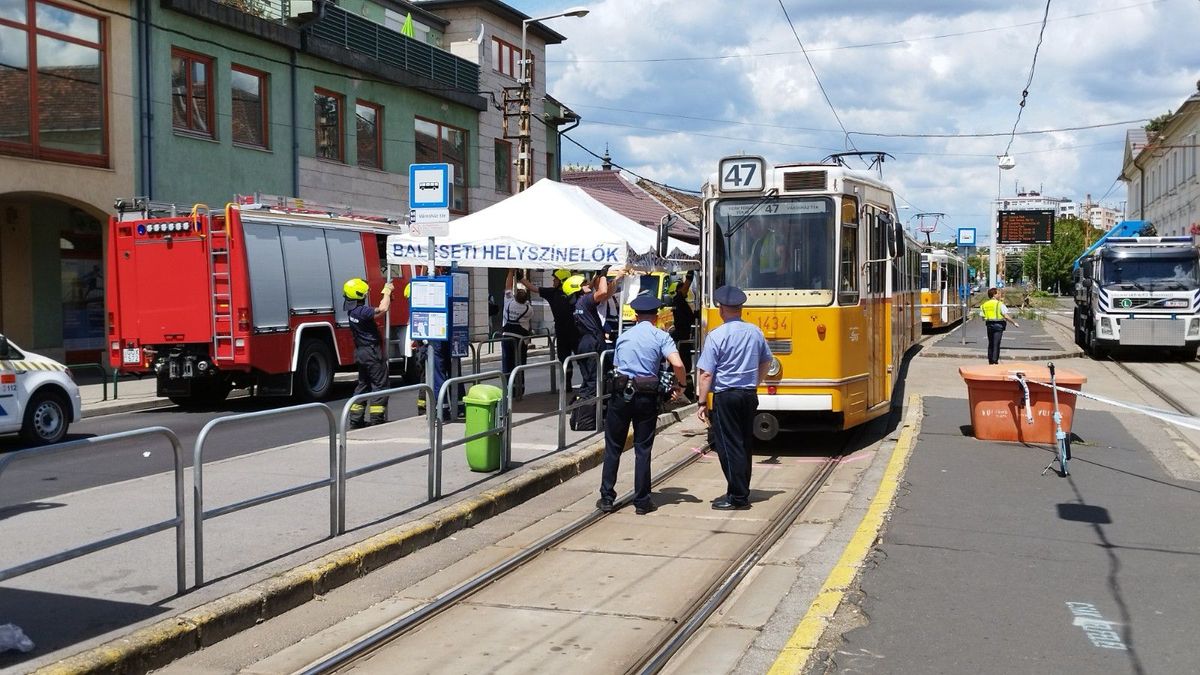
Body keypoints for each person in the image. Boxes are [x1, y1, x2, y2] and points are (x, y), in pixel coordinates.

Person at [597, 294, 688, 515]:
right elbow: (677, 364)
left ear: (636, 317)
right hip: (646, 397)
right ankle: (642, 501)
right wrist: (682, 385)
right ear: (656, 317)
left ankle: (607, 497)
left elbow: (618, 365)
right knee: (642, 449)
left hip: (621, 395)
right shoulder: (661, 336)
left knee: (613, 447)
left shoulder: (624, 337)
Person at [696, 285, 772, 510]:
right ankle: (741, 489)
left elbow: (706, 373)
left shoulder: (716, 335)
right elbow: (766, 361)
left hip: (726, 396)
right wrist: (754, 383)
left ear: (721, 309)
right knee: (744, 443)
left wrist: (701, 402)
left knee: (729, 446)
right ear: (740, 308)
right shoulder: (754, 332)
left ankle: (737, 496)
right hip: (748, 395)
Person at [344, 277, 394, 428]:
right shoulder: (361, 311)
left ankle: (356, 420)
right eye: (364, 293)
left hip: (361, 352)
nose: (366, 295)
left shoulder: (353, 312)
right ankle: (376, 419)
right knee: (380, 385)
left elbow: (378, 314)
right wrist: (387, 290)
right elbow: (382, 309)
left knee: (363, 385)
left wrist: (387, 297)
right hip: (372, 352)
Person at [573, 266, 625, 395]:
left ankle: (595, 404)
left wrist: (617, 279)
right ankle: (588, 407)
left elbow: (607, 292)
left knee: (601, 376)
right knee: (594, 379)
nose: (588, 285)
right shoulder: (587, 300)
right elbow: (604, 293)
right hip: (594, 341)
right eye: (585, 284)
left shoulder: (582, 300)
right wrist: (602, 275)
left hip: (594, 339)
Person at [539, 269, 579, 389]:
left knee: (581, 358)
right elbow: (534, 289)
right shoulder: (553, 292)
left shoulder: (575, 291)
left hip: (573, 332)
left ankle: (589, 382)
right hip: (565, 333)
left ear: (561, 281)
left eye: (555, 279)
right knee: (565, 360)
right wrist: (521, 279)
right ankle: (567, 384)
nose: (553, 281)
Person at [501, 269, 535, 396]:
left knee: (507, 365)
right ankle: (519, 390)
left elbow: (508, 286)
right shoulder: (528, 309)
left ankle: (507, 391)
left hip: (506, 337)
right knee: (519, 365)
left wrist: (510, 272)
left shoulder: (509, 302)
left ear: (515, 296)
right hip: (519, 340)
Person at [669, 270, 697, 400]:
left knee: (686, 366)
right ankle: (673, 392)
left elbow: (691, 317)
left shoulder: (683, 304)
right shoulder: (678, 300)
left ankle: (686, 392)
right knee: (680, 365)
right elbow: (681, 294)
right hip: (680, 338)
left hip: (685, 338)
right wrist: (689, 279)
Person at [980, 287, 1019, 365]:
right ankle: (995, 361)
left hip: (989, 325)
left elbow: (983, 317)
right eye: (998, 293)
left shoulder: (984, 305)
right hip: (998, 325)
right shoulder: (999, 304)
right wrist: (1014, 323)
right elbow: (1006, 316)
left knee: (990, 343)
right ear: (994, 295)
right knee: (996, 344)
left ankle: (990, 360)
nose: (1000, 295)